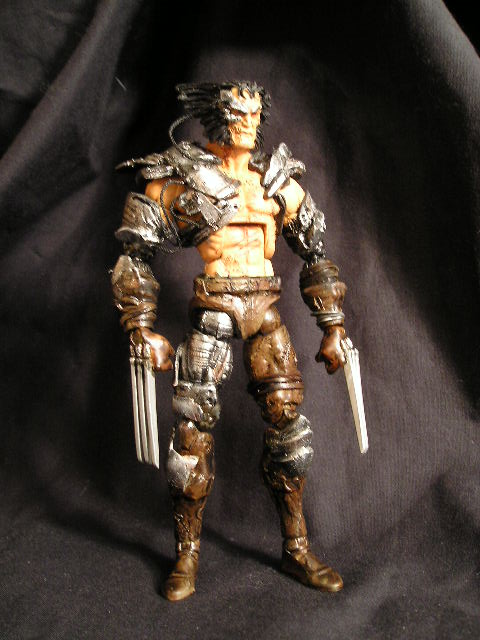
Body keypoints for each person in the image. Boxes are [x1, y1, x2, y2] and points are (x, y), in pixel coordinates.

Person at [112, 81, 348, 601]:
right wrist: (142, 327)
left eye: (254, 113)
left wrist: (332, 327)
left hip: (267, 314)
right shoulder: (177, 179)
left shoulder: (278, 183)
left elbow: (316, 255)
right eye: (236, 113)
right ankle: (186, 554)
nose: (247, 123)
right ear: (215, 116)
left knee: (290, 430)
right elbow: (135, 255)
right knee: (191, 438)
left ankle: (296, 547)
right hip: (213, 313)